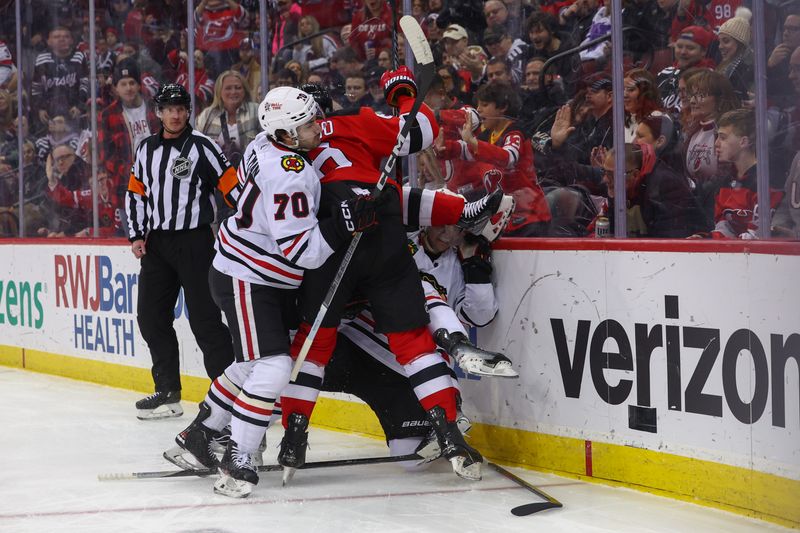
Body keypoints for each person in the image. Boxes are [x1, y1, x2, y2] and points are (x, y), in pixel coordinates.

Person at [164, 85, 384, 498]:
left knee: (251, 364)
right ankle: (238, 456)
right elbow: (305, 252)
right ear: (285, 135)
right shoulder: (291, 172)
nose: (317, 127)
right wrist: (344, 223)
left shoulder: (264, 142)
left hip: (246, 269)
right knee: (273, 367)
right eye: (306, 125)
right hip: (249, 275)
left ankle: (199, 434)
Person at [277, 70, 486, 485]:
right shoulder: (354, 121)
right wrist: (403, 93)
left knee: (312, 343)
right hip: (383, 228)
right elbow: (421, 128)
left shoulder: (276, 148)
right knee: (412, 341)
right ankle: (448, 433)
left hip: (328, 241)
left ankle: (293, 438)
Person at [125, 84, 240, 420]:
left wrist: (246, 222)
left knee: (206, 321)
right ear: (158, 113)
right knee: (150, 316)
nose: (175, 114)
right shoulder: (146, 149)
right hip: (157, 244)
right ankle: (168, 392)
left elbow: (231, 186)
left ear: (188, 111)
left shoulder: (203, 146)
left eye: (181, 108)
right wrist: (136, 235)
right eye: (168, 109)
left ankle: (229, 395)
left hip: (195, 243)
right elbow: (136, 193)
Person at [695, 108, 783, 239]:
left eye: (723, 138)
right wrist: (705, 239)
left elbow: (759, 237)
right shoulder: (724, 182)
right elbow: (723, 230)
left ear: (744, 142)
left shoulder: (766, 181)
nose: (716, 143)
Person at [98, 58, 160, 202]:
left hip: (159, 182)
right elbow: (106, 156)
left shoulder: (154, 107)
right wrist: (132, 171)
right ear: (116, 88)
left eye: (132, 83)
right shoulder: (107, 115)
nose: (128, 88)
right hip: (125, 187)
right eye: (123, 84)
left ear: (139, 85)